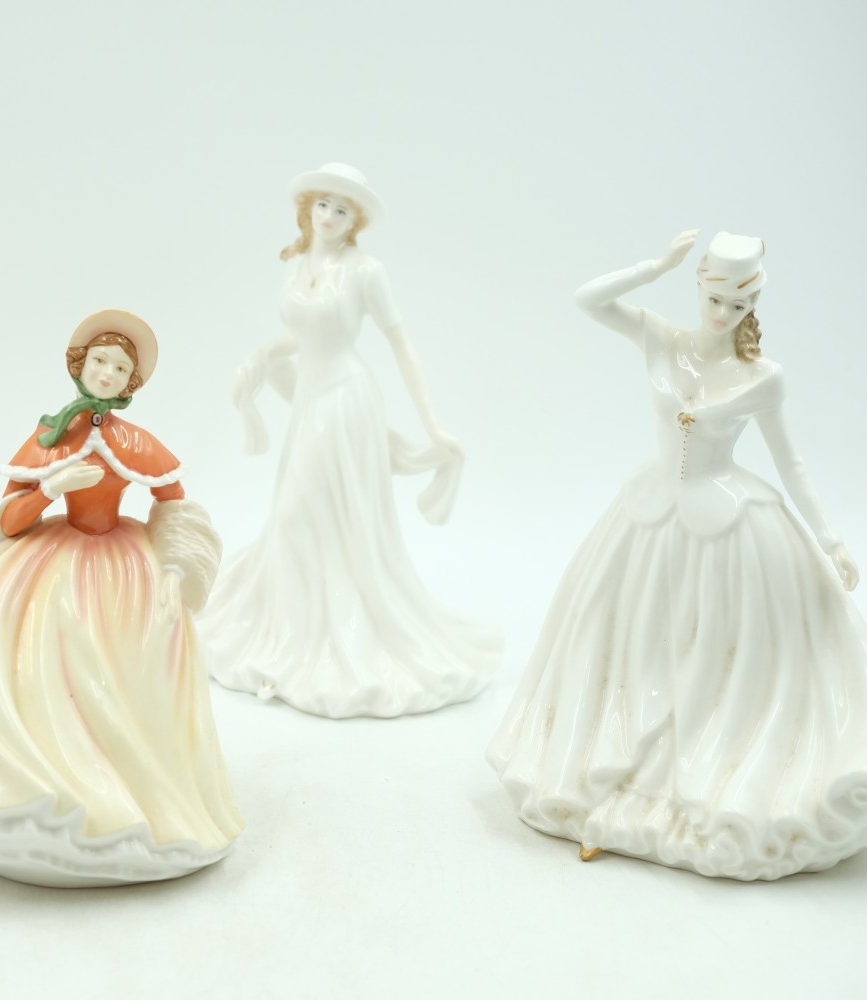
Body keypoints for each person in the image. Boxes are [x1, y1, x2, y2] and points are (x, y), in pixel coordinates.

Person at [488, 230, 867, 880]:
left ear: (753, 307)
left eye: (737, 306)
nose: (722, 314)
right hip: (650, 516)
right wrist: (653, 265)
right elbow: (588, 300)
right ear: (698, 288)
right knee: (628, 646)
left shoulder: (763, 377)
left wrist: (831, 539)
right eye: (713, 299)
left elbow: (792, 462)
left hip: (726, 525)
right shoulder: (664, 339)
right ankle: (614, 782)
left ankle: (695, 785)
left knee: (717, 660)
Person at [0, 310, 243, 887]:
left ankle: (131, 797)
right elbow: (6, 524)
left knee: (131, 658)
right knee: (9, 637)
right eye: (100, 361)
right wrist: (49, 489)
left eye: (121, 368)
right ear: (80, 365)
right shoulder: (50, 436)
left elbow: (173, 499)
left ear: (132, 382)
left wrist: (177, 564)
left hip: (122, 562)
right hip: (54, 554)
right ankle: (25, 782)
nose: (108, 373)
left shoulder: (135, 441)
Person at [203, 163, 501, 719]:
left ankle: (319, 640)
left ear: (355, 220)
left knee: (297, 512)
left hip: (345, 401)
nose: (331, 216)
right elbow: (299, 336)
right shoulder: (296, 263)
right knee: (302, 517)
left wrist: (432, 424)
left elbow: (401, 345)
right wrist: (263, 355)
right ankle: (294, 634)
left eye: (343, 210)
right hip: (309, 399)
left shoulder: (366, 271)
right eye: (324, 205)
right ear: (308, 209)